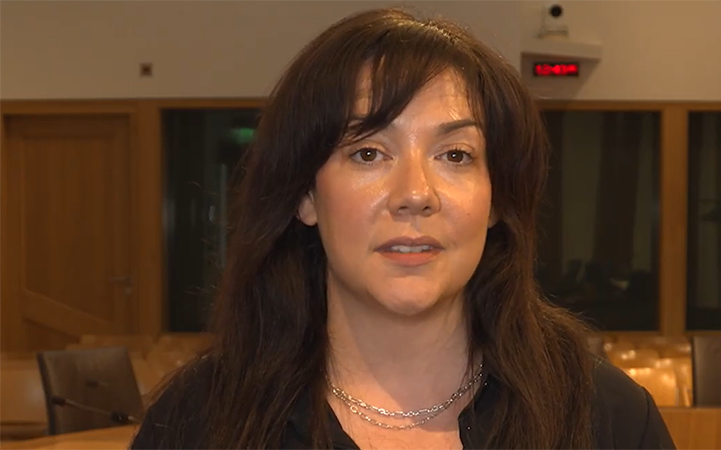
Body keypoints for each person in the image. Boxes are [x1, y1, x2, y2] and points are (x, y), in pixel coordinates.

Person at [131, 7, 675, 450]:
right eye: (368, 152)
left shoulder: (607, 419)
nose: (415, 194)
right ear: (305, 195)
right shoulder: (200, 423)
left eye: (455, 155)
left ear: (496, 199)